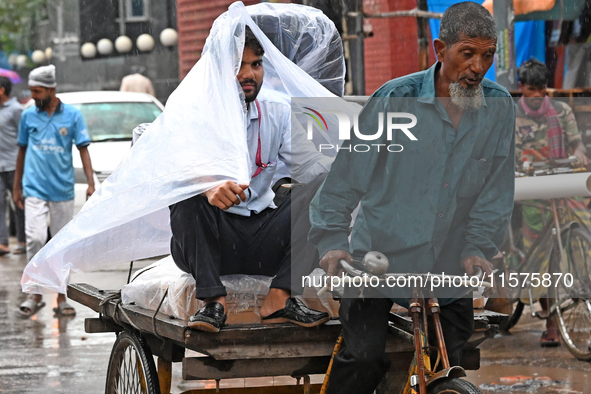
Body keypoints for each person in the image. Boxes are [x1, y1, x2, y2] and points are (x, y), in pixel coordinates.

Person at [308, 2, 515, 393]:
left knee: (450, 357)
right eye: (467, 53)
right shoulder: (394, 99)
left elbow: (496, 191)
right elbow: (344, 180)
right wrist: (333, 242)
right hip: (378, 255)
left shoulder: (499, 106)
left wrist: (476, 247)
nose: (477, 67)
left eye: (487, 55)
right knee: (365, 357)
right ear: (440, 50)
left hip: (449, 256)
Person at [168, 26, 330, 333]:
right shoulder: (194, 112)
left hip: (264, 239)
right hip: (212, 243)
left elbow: (311, 167)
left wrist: (357, 167)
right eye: (238, 66)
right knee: (185, 196)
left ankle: (280, 298)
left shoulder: (277, 111)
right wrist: (208, 187)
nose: (249, 74)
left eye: (255, 64)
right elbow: (173, 165)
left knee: (325, 189)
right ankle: (213, 303)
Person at [515, 58, 590, 347]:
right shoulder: (511, 117)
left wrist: (580, 153)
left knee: (584, 240)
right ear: (521, 88)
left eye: (542, 89)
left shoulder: (562, 111)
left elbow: (577, 144)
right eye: (532, 89)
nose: (538, 96)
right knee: (543, 258)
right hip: (533, 192)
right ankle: (551, 322)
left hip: (564, 186)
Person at [14, 65, 95, 317]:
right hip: (34, 188)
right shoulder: (28, 116)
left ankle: (61, 298)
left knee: (61, 246)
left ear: (51, 89)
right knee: (36, 238)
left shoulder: (72, 116)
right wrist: (17, 186)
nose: (33, 96)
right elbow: (22, 151)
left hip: (62, 189)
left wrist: (92, 184)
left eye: (37, 91)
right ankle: (34, 294)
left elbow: (83, 149)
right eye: (32, 91)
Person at [0, 76, 25, 255]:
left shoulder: (16, 110)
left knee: (19, 203)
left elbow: (24, 138)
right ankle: (2, 242)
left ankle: (23, 241)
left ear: (2, 90)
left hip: (14, 165)